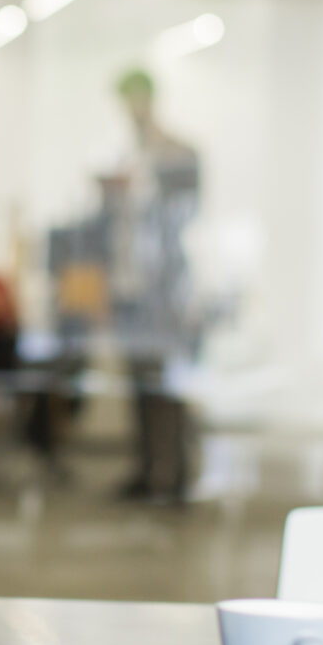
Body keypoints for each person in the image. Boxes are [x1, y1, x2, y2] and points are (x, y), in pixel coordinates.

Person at [107, 69, 201, 501]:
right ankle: (148, 469)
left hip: (164, 292)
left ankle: (176, 474)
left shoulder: (178, 153)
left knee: (169, 386)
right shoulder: (127, 154)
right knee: (140, 387)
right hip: (131, 289)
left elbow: (184, 216)